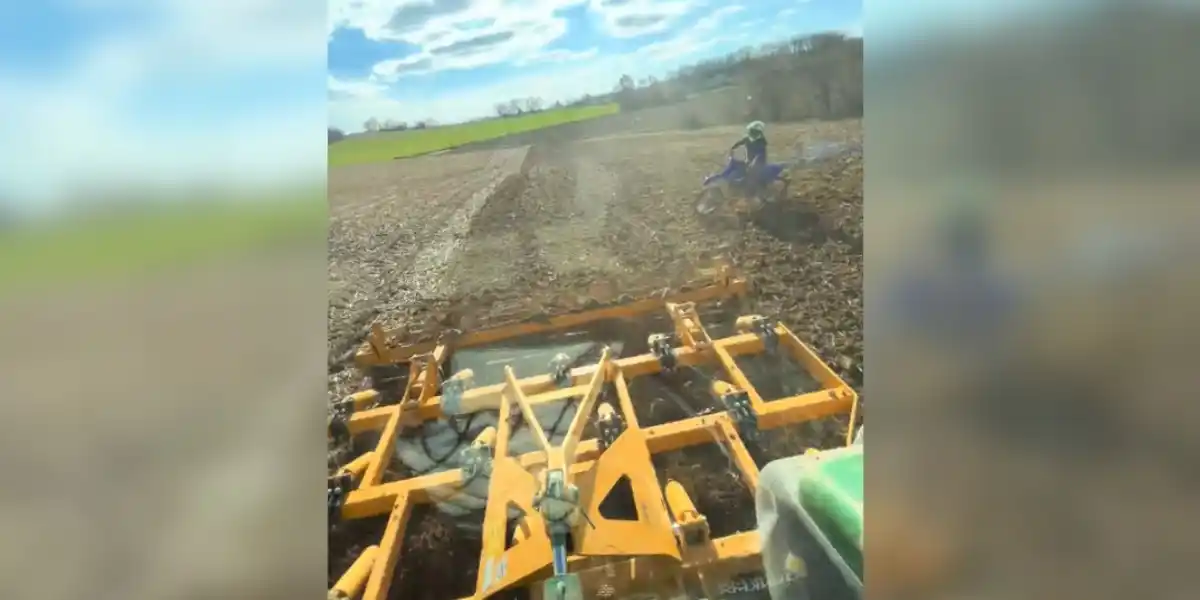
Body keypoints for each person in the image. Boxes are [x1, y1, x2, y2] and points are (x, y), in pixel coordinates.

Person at [730, 120, 768, 197]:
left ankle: (753, 191)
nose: (752, 133)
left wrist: (755, 161)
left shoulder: (761, 141)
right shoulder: (747, 138)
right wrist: (733, 147)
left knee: (752, 174)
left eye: (754, 132)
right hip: (749, 160)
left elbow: (760, 153)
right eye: (752, 131)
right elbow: (740, 142)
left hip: (759, 161)